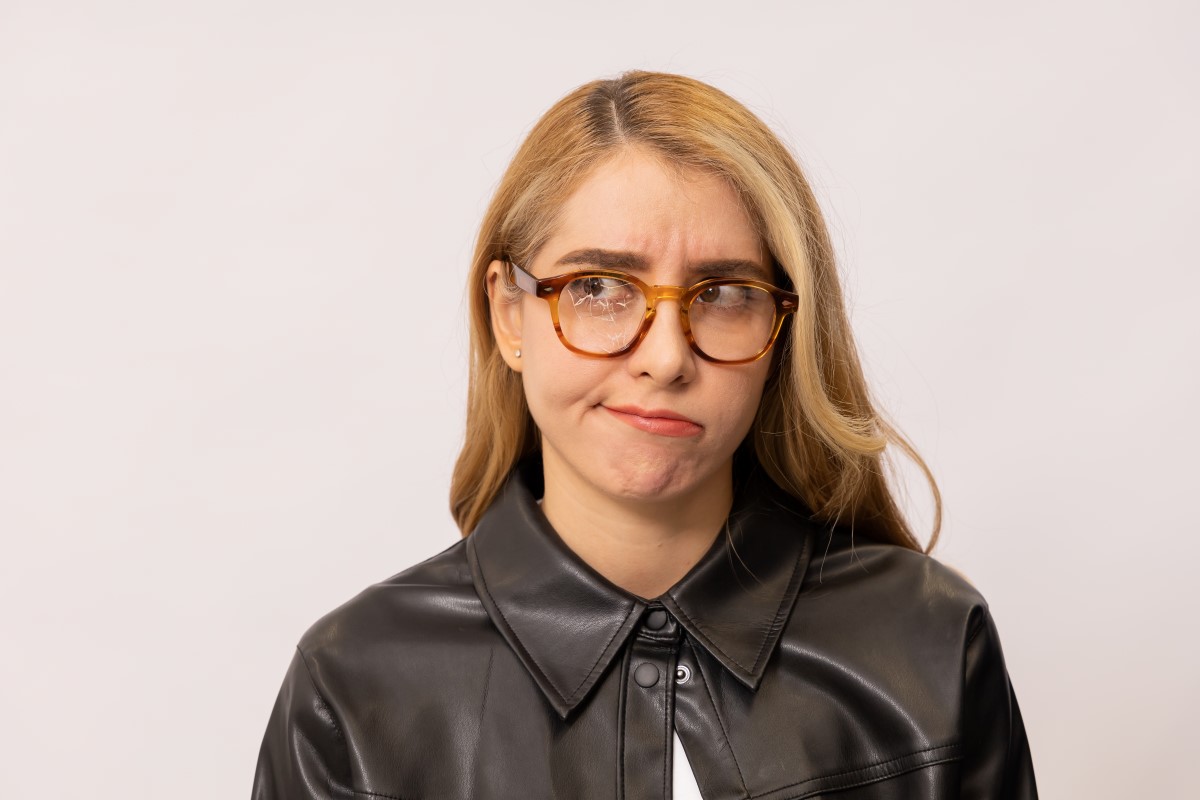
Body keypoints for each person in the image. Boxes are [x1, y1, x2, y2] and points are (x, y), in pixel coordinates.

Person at [251, 70, 1038, 799]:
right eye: (598, 288)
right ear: (508, 313)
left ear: (783, 329)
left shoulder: (930, 641)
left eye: (725, 293)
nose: (665, 357)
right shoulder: (352, 688)